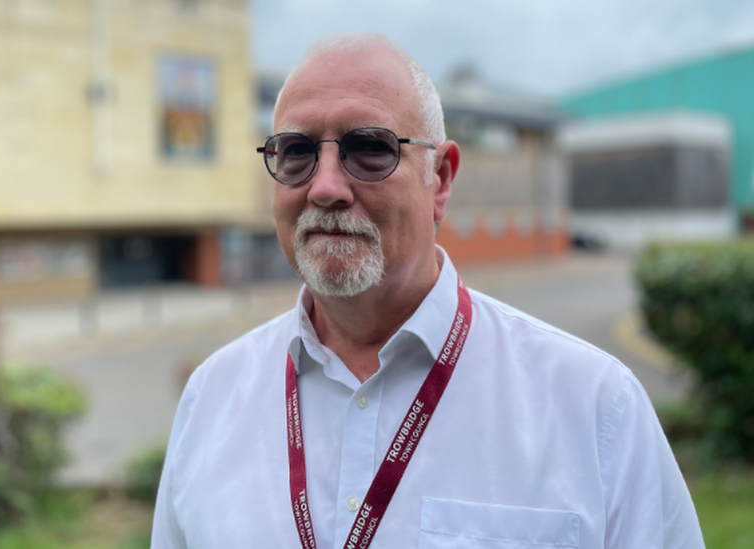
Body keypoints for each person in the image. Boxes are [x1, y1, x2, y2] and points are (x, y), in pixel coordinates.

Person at [151, 34, 704, 549]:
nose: (324, 186)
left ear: (439, 178)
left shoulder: (595, 407)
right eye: (295, 151)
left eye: (368, 147)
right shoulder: (211, 400)